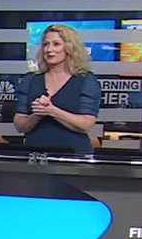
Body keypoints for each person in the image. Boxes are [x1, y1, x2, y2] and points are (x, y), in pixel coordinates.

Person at [13, 24, 102, 154]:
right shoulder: (30, 80)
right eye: (45, 44)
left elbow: (86, 124)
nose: (49, 49)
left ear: (69, 48)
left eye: (56, 44)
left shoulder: (86, 80)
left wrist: (52, 111)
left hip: (73, 155)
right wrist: (37, 114)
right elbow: (20, 126)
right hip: (36, 155)